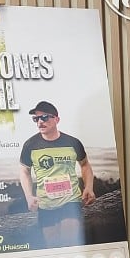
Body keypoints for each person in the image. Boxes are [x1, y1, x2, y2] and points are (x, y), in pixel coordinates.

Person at [19, 100, 95, 247]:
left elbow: (84, 165)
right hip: (46, 204)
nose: (40, 122)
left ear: (56, 119)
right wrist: (29, 196)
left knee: (69, 242)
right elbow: (24, 171)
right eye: (36, 119)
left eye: (44, 117)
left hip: (70, 200)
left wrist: (88, 187)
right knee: (53, 246)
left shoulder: (73, 143)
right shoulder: (30, 145)